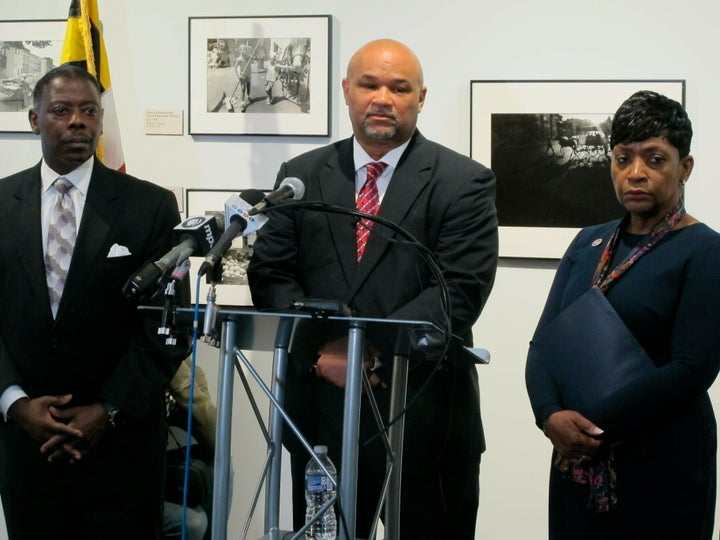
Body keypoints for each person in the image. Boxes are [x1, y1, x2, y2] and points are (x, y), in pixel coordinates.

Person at [247, 39, 498, 539]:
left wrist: (365, 350)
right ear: (346, 90)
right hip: (321, 414)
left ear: (420, 98)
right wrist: (324, 350)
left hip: (426, 416)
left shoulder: (463, 182)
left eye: (399, 87)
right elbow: (270, 274)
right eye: (370, 84)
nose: (383, 97)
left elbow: (459, 289)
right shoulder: (300, 177)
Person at [0, 64, 189, 539]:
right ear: (34, 119)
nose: (77, 121)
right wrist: (15, 402)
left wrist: (108, 409)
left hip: (121, 448)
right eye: (61, 110)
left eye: (89, 111)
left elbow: (167, 327)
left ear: (102, 121)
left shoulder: (150, 207)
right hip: (27, 446)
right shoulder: (1, 202)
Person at [525, 90, 720, 540]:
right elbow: (543, 346)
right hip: (576, 461)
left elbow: (693, 369)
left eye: (655, 159)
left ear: (684, 167)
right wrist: (549, 416)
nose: (636, 173)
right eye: (622, 158)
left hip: (662, 463)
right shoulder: (587, 243)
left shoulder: (704, 250)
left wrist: (591, 423)